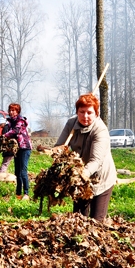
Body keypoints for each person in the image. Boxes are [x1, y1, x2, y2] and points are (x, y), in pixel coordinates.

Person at [55, 93, 117, 221]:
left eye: (89, 112)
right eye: (82, 112)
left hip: (100, 178)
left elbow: (96, 160)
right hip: (80, 176)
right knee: (78, 218)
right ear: (77, 112)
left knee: (96, 221)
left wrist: (80, 176)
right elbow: (61, 146)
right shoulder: (71, 123)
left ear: (96, 113)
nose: (85, 116)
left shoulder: (100, 130)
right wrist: (56, 152)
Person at [2, 103, 32, 200]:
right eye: (10, 110)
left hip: (25, 147)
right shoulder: (10, 122)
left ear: (17, 111)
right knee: (17, 172)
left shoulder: (20, 120)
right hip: (17, 149)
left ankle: (26, 193)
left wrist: (5, 135)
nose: (11, 112)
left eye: (13, 110)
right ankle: (18, 194)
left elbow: (15, 131)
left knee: (23, 171)